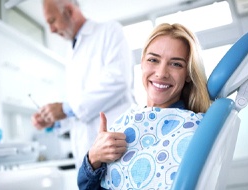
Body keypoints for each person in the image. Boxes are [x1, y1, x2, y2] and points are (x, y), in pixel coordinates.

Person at [77, 23, 212, 190]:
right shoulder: (126, 122)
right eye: (153, 60)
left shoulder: (194, 129)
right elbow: (86, 186)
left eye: (176, 64)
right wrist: (94, 157)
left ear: (188, 74)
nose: (161, 73)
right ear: (142, 63)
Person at [31, 0, 135, 169]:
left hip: (115, 147)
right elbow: (80, 108)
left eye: (52, 21)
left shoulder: (109, 31)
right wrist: (54, 119)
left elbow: (118, 80)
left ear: (70, 11)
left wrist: (64, 108)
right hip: (88, 157)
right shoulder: (71, 51)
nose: (51, 30)